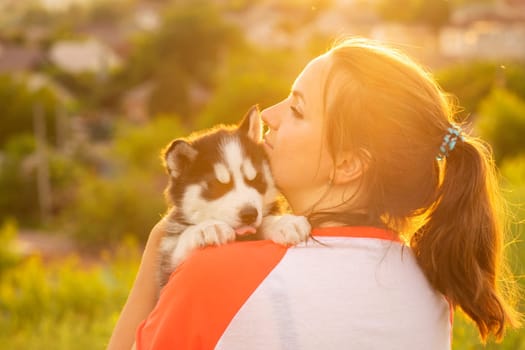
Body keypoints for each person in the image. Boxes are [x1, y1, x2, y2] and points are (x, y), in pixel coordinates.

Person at [107, 38, 521, 350]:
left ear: (348, 164)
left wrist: (158, 246)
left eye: (298, 109)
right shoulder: (431, 289)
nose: (269, 115)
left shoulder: (216, 275)